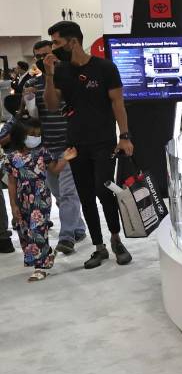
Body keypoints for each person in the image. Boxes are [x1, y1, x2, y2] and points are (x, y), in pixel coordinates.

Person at [43, 20, 135, 269]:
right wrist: (49, 75)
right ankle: (99, 247)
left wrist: (124, 136)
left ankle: (116, 239)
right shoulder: (60, 71)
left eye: (57, 42)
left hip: (104, 142)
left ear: (73, 42)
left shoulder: (105, 68)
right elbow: (52, 105)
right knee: (85, 196)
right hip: (75, 145)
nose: (54, 47)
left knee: (103, 191)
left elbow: (118, 103)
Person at [30, 39, 89, 254]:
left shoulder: (69, 78)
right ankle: (78, 228)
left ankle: (66, 238)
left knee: (67, 194)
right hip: (47, 147)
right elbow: (35, 117)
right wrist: (26, 102)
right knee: (57, 194)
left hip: (68, 146)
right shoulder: (35, 84)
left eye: (47, 54)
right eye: (38, 56)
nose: (44, 59)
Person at [4, 117, 75, 281]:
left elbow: (55, 170)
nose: (35, 138)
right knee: (25, 231)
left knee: (38, 230)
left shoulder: (43, 153)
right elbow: (12, 183)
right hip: (22, 199)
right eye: (31, 134)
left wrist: (65, 158)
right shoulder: (11, 158)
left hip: (41, 197)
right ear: (20, 136)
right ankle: (42, 255)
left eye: (38, 134)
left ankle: (41, 266)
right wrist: (13, 204)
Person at [0, 94, 21, 255]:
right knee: (18, 196)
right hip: (15, 165)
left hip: (22, 165)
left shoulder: (16, 123)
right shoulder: (12, 124)